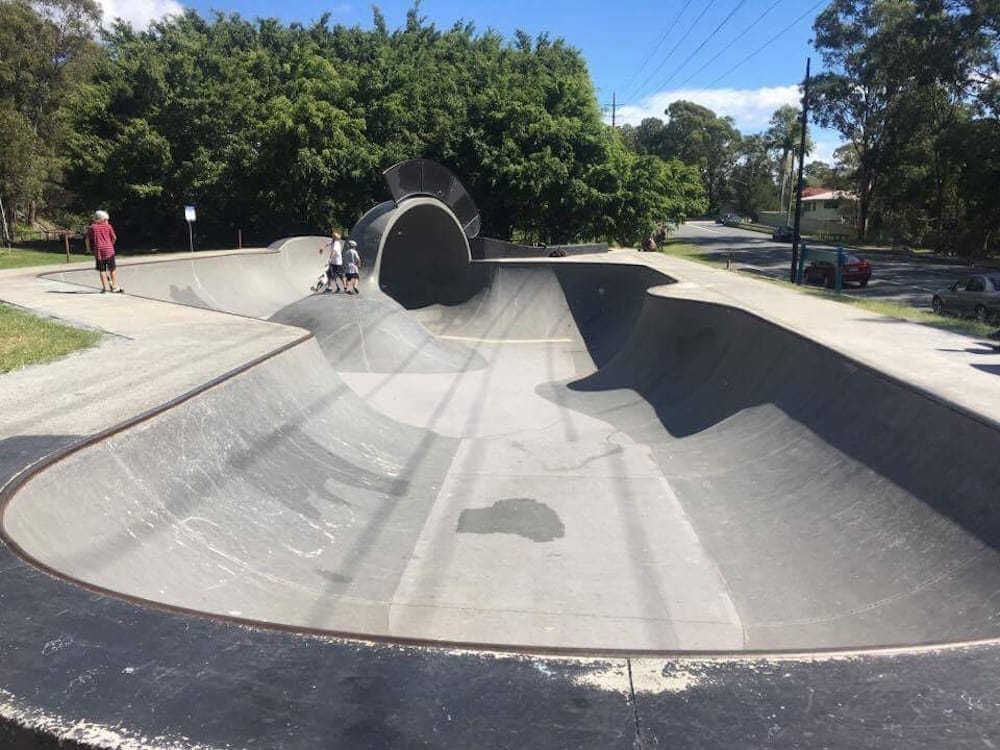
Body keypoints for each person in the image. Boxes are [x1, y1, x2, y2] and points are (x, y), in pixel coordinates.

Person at [86, 210, 122, 293]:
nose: (107, 221)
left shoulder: (92, 227)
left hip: (99, 251)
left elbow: (87, 239)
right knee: (112, 269)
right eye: (106, 219)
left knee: (102, 270)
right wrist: (110, 244)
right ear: (102, 219)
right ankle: (114, 286)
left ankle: (104, 288)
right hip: (109, 250)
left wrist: (88, 249)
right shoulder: (108, 226)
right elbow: (114, 237)